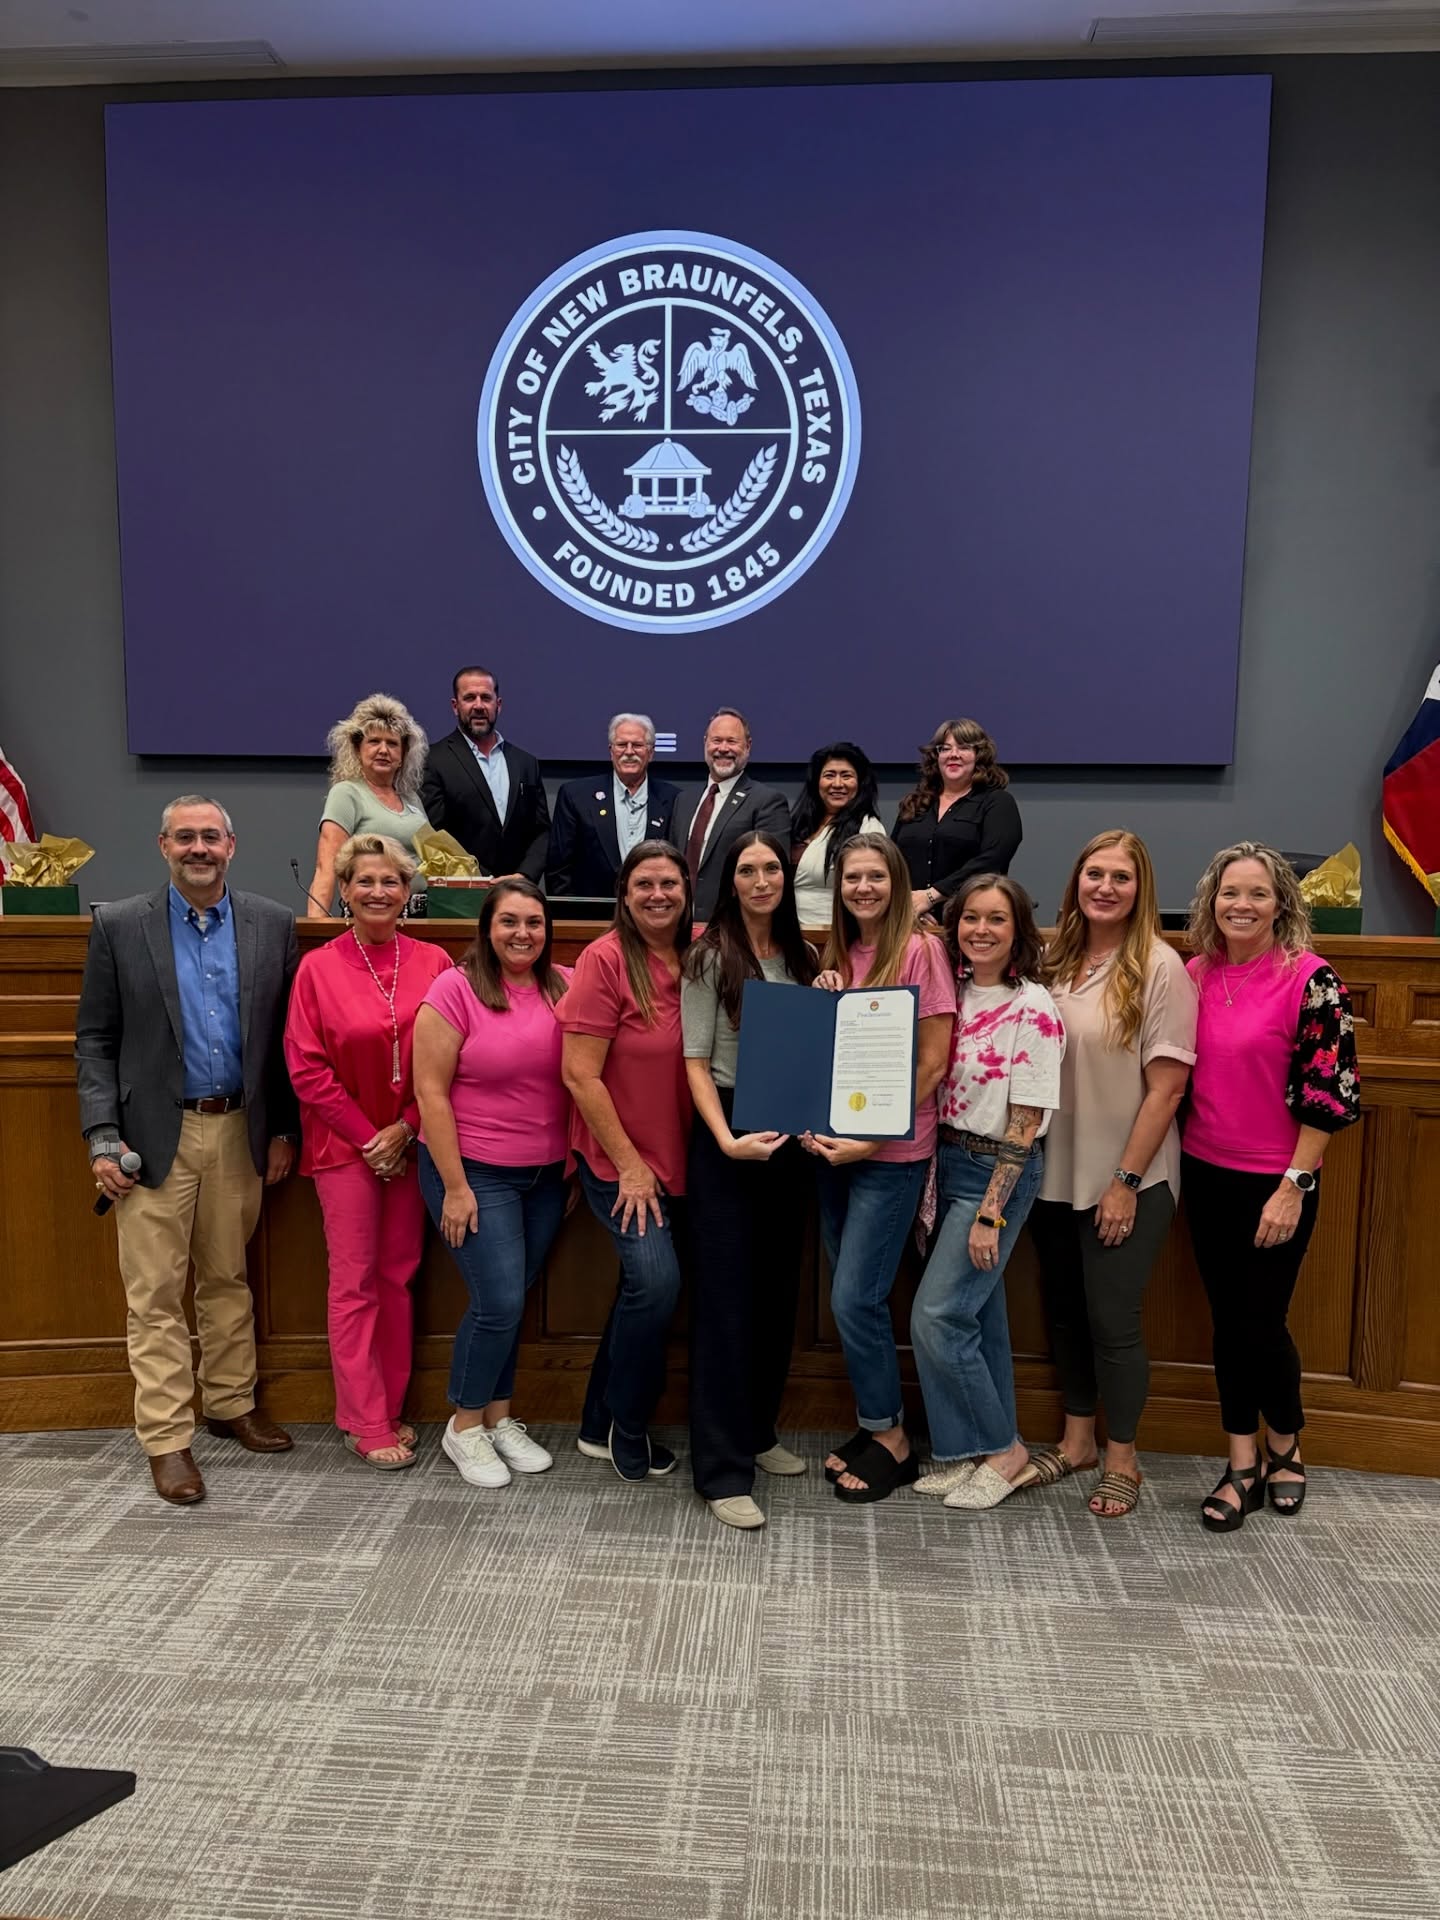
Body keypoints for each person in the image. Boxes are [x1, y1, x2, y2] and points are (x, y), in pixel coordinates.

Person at [75, 796, 299, 1505]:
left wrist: (284, 1129)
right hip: (150, 1138)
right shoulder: (118, 925)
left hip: (239, 1129)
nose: (198, 848)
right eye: (185, 838)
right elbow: (95, 1040)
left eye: (210, 837)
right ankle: (168, 1439)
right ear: (163, 846)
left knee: (228, 1277)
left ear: (232, 845)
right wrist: (102, 1135)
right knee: (154, 1297)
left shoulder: (271, 923)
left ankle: (230, 1404)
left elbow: (285, 1042)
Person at [1182, 841, 1360, 1532]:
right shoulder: (1195, 974)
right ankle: (1242, 1460)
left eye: (1257, 893)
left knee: (1261, 1321)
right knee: (1230, 1323)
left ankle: (1286, 1440)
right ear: (1212, 900)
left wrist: (1293, 1185)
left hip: (1278, 1179)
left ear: (1281, 902)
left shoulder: (1311, 979)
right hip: (1205, 1171)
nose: (1242, 905)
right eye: (1231, 893)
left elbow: (1328, 1093)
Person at [1027, 830, 1197, 1519]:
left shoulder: (1160, 967)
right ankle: (1076, 1442)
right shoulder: (1053, 958)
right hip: (1052, 1173)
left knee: (1112, 1321)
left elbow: (1167, 1090)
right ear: (1076, 881)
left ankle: (1123, 1455)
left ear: (1140, 889)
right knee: (1063, 1314)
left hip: (1127, 1177)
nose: (1104, 887)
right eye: (1094, 873)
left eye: (1120, 877)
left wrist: (1125, 1181)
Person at [283, 835, 452, 1468]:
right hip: (345, 1148)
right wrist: (368, 1137)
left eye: (391, 881)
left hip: (414, 1143)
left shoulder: (435, 961)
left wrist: (405, 1129)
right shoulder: (318, 967)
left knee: (398, 1277)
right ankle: (363, 1416)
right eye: (364, 881)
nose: (378, 892)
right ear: (345, 890)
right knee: (353, 1281)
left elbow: (450, 1058)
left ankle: (392, 1403)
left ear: (408, 893)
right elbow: (305, 1067)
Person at [807, 832, 956, 1502]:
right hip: (834, 1151)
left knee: (854, 1298)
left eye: (875, 877)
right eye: (851, 879)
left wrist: (873, 1140)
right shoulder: (839, 950)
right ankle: (877, 1426)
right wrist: (821, 995)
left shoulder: (922, 950)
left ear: (896, 882)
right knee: (852, 1296)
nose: (862, 888)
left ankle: (892, 1439)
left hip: (890, 1155)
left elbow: (933, 1062)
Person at [910, 875, 1065, 1511]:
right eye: (969, 918)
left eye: (996, 920)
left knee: (938, 1314)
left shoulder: (1034, 1008)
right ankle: (963, 1449)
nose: (980, 930)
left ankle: (1003, 1450)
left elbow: (1026, 1121)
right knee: (977, 1315)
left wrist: (991, 1213)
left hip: (996, 1169)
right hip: (945, 1158)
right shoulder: (953, 992)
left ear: (1018, 930)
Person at [413, 879, 570, 1490]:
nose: (522, 934)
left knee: (512, 1300)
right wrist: (455, 1186)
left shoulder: (565, 983)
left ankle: (501, 1417)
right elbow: (430, 1092)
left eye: (534, 922)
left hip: (547, 1173)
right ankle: (464, 1425)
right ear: (487, 926)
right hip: (473, 1170)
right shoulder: (455, 988)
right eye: (509, 921)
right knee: (499, 1299)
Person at [682, 831, 818, 1529]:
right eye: (748, 870)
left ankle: (758, 1432)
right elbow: (696, 1061)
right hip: (729, 1140)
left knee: (775, 1298)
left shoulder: (803, 955)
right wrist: (725, 1138)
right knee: (728, 1307)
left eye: (772, 869)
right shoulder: (709, 956)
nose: (761, 880)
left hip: (791, 1141)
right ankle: (722, 1469)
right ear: (730, 881)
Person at [559, 840, 695, 1481]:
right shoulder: (605, 959)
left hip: (686, 1156)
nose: (657, 895)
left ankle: (594, 1421)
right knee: (657, 1282)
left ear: (687, 889)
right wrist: (632, 1165)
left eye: (669, 882)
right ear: (624, 892)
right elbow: (580, 1075)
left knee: (642, 1289)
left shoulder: (701, 952)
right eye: (644, 884)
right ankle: (628, 1424)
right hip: (621, 1162)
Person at [420, 666, 550, 882]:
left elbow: (542, 831)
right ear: (455, 706)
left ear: (498, 705)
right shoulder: (434, 760)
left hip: (518, 891)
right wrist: (477, 880)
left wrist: (524, 875)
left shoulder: (526, 763)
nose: (479, 706)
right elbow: (434, 834)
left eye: (486, 698)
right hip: (463, 894)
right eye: (470, 698)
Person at [307, 693, 431, 916]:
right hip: (371, 914)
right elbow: (325, 868)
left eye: (392, 743)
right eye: (374, 741)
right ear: (357, 749)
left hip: (421, 918)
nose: (383, 750)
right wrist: (316, 931)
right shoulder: (346, 794)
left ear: (403, 754)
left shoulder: (411, 798)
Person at [892, 718, 1022, 920]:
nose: (953, 754)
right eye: (944, 749)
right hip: (910, 919)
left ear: (979, 755)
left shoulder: (997, 803)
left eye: (963, 747)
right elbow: (892, 860)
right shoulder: (915, 803)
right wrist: (907, 906)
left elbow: (992, 860)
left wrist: (931, 897)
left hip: (971, 920)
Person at [673, 707, 791, 920]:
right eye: (716, 740)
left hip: (734, 926)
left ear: (748, 746)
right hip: (678, 925)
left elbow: (772, 873)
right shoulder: (684, 801)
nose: (723, 748)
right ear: (705, 743)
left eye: (732, 741)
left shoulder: (767, 802)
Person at [546, 712, 679, 898]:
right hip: (591, 917)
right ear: (611, 751)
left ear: (651, 753)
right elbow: (558, 868)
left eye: (638, 745)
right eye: (622, 745)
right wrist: (572, 916)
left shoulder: (674, 799)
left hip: (653, 912)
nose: (629, 752)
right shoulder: (576, 796)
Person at [788, 741, 886, 928]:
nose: (838, 784)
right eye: (829, 775)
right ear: (817, 781)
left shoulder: (868, 829)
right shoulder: (797, 823)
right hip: (789, 934)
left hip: (837, 934)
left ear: (860, 782)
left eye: (846, 776)